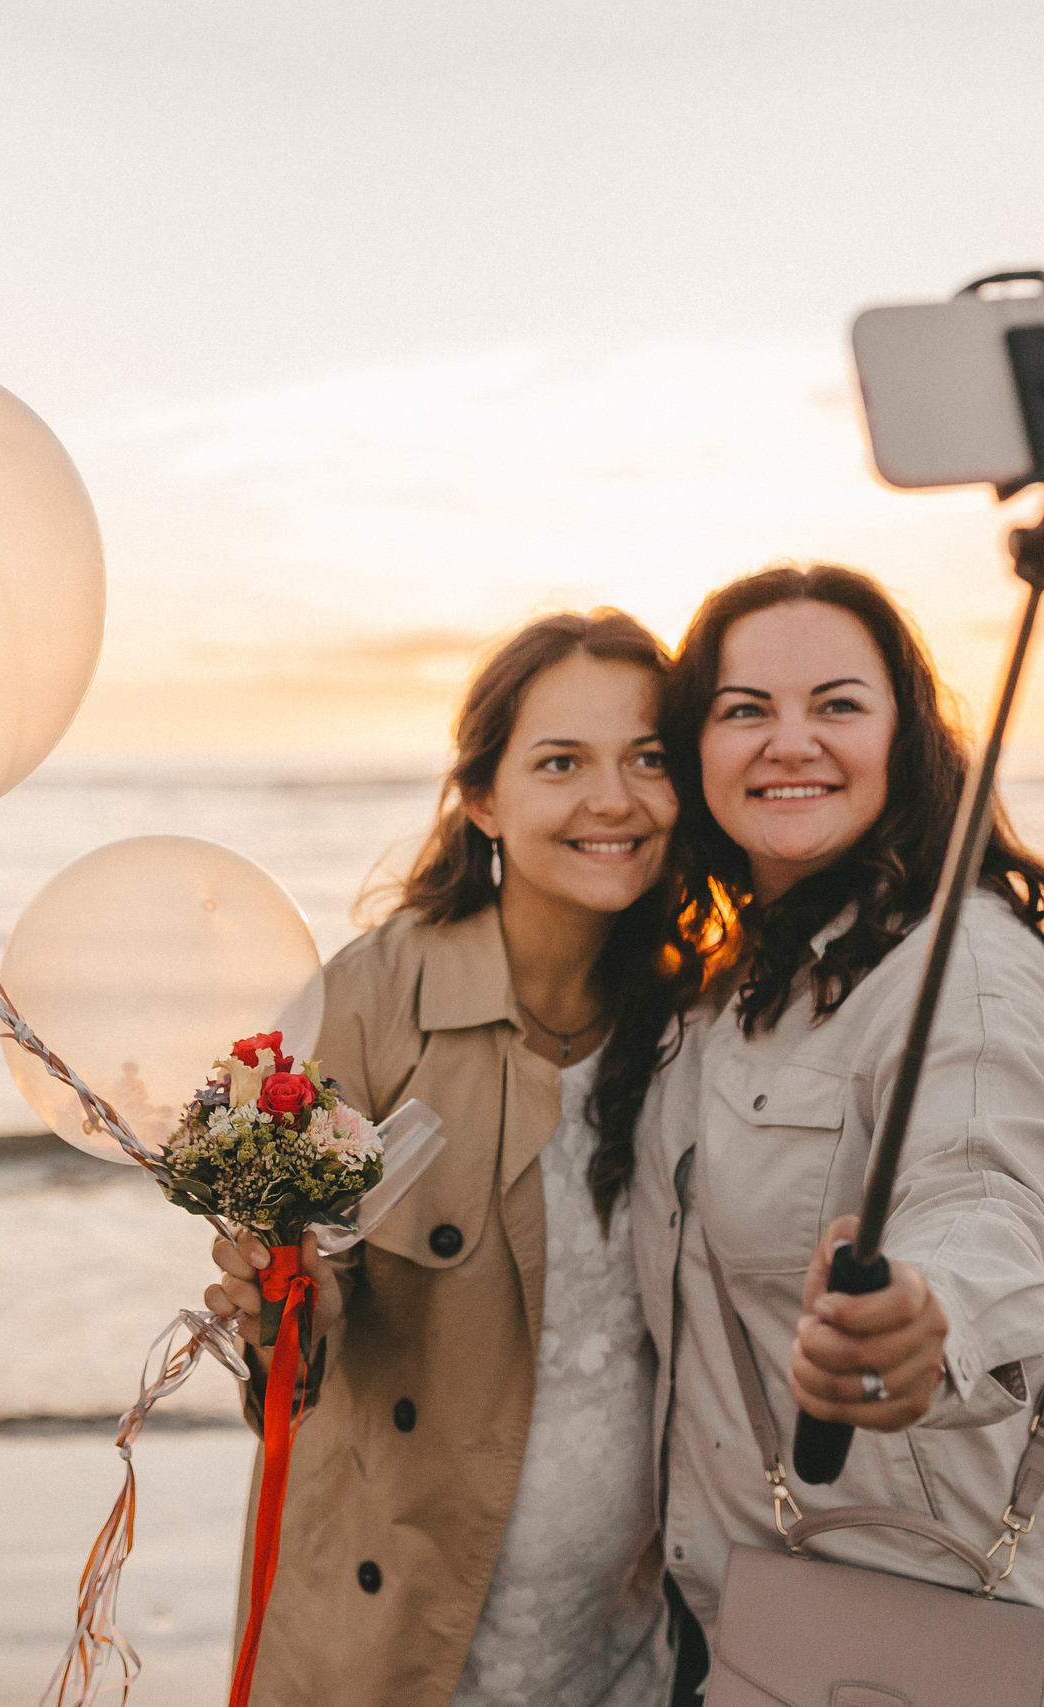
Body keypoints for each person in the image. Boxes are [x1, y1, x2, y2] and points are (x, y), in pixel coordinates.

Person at [632, 563, 1044, 1707]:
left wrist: (925, 1320)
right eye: (743, 711)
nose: (789, 742)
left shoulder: (962, 974)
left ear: (904, 737)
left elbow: (986, 1191)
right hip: (764, 1616)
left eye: (836, 704)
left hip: (950, 1627)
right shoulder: (740, 982)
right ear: (693, 750)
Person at [204, 609, 696, 1707]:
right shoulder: (367, 1003)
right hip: (405, 1643)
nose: (610, 799)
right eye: (560, 762)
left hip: (630, 1645)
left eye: (647, 760)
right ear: (482, 797)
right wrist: (289, 1314)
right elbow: (285, 1343)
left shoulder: (698, 1015)